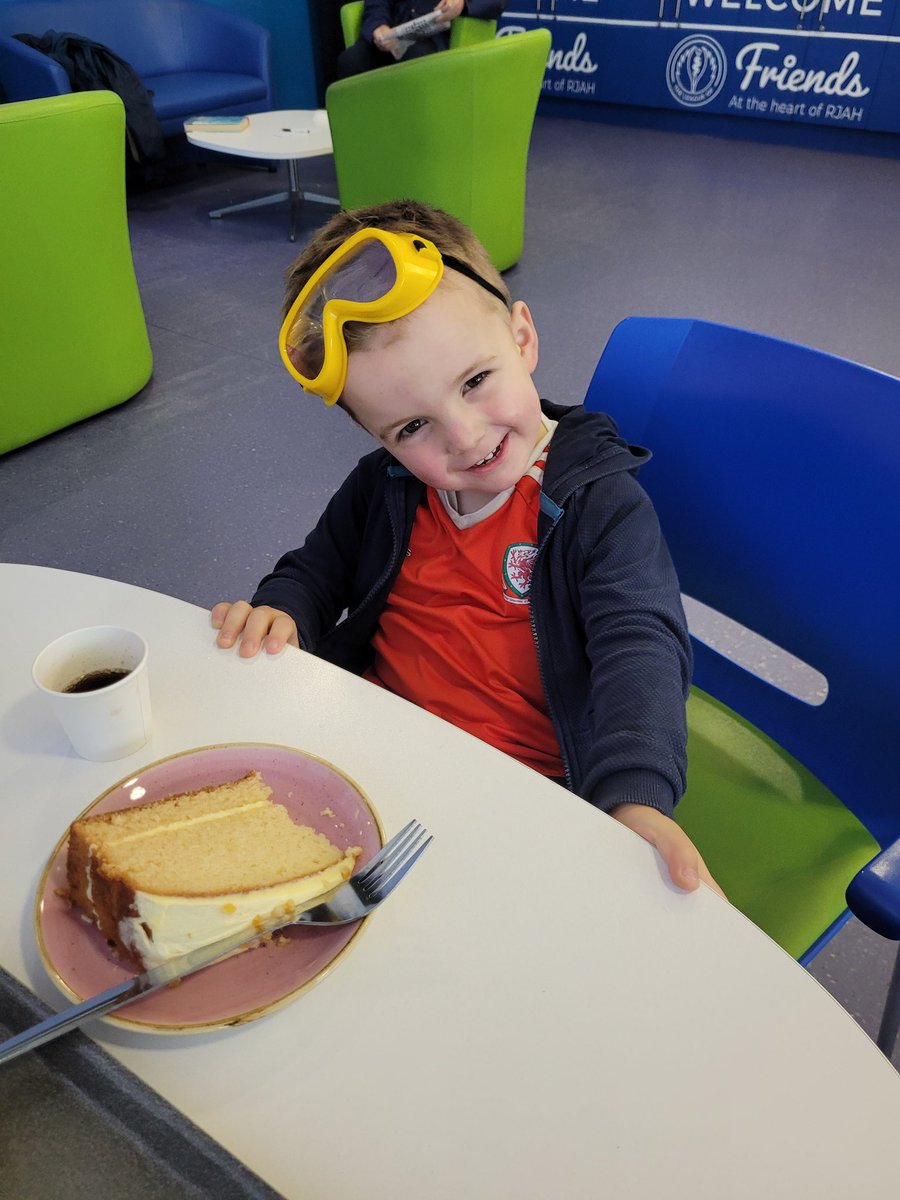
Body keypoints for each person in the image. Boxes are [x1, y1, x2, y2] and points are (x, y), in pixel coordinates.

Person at [211, 199, 724, 898]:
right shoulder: (387, 484)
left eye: (476, 382)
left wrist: (634, 797)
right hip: (373, 746)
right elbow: (316, 568)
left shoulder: (597, 506)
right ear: (381, 439)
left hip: (518, 792)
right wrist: (284, 610)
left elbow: (641, 650)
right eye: (412, 425)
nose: (461, 436)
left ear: (522, 337)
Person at [337, 0, 506, 79]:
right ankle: (361, 138)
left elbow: (496, 2)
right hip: (393, 34)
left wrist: (462, 4)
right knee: (350, 61)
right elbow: (377, 4)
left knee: (417, 61)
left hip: (434, 39)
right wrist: (378, 26)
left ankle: (413, 138)